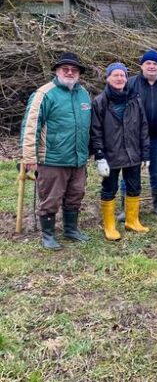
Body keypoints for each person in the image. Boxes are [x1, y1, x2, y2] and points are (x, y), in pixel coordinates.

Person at [20, 52, 92, 250]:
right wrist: (29, 156)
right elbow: (30, 126)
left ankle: (71, 230)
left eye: (74, 69)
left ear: (78, 73)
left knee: (75, 195)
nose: (69, 72)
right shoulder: (44, 94)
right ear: (57, 71)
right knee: (50, 198)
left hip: (78, 159)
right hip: (52, 158)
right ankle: (48, 235)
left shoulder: (84, 94)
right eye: (65, 69)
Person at [91, 63, 151, 241]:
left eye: (122, 76)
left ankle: (132, 221)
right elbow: (95, 131)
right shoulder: (100, 102)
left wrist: (145, 153)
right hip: (111, 155)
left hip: (133, 153)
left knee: (134, 187)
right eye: (115, 75)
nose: (119, 79)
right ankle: (109, 225)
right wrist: (99, 155)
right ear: (108, 78)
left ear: (126, 78)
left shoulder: (134, 99)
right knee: (109, 189)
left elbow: (143, 127)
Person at [116, 49, 157, 220]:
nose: (151, 66)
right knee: (130, 172)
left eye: (155, 64)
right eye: (148, 63)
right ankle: (126, 206)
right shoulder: (131, 83)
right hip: (134, 138)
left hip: (156, 137)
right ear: (141, 66)